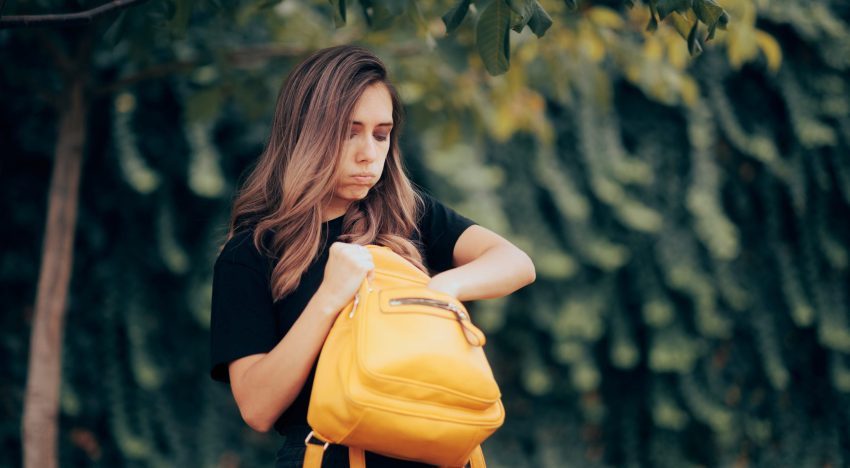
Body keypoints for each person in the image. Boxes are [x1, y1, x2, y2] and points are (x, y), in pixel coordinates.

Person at [209, 45, 536, 468]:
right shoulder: (251, 253)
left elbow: (516, 263)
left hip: (435, 453)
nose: (369, 153)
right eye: (350, 132)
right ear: (308, 134)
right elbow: (257, 407)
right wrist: (329, 298)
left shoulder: (407, 213)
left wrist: (440, 289)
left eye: (381, 134)